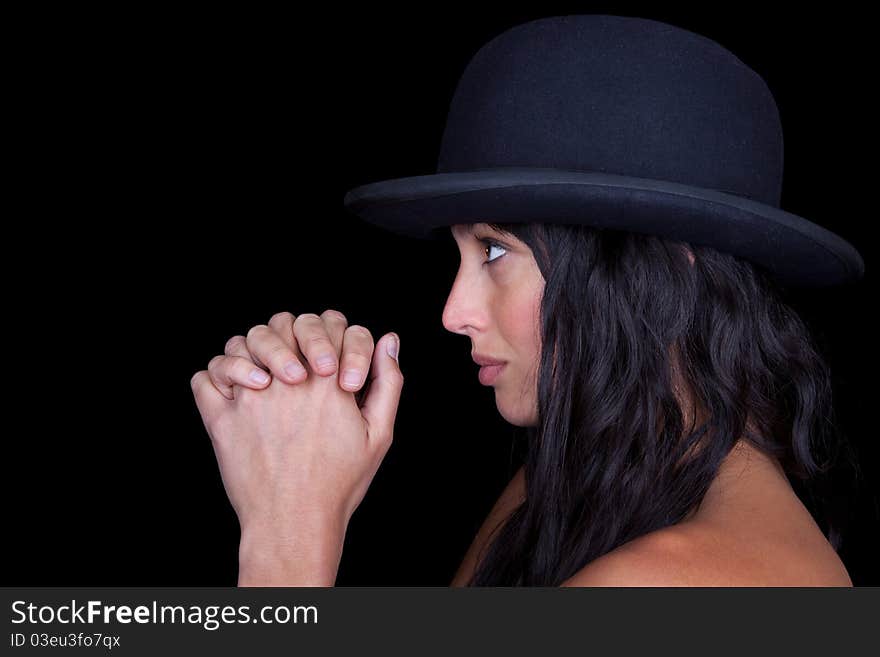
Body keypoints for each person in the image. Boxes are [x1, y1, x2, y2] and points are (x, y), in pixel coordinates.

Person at [190, 15, 864, 586]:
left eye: (493, 250)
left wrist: (288, 538)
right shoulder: (568, 495)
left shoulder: (664, 583)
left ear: (663, 272)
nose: (453, 312)